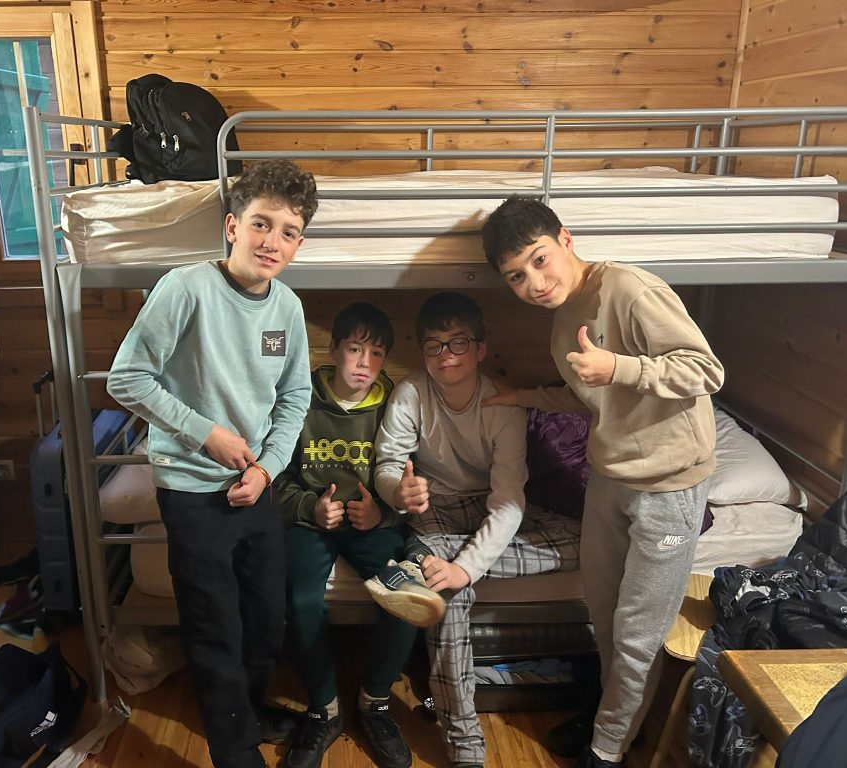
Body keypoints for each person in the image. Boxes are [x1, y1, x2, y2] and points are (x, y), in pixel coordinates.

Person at [480, 197, 725, 768]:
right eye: (516, 277)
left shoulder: (630, 290)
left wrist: (620, 366)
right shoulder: (563, 317)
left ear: (566, 239)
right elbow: (590, 396)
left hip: (669, 485)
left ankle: (607, 750)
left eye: (540, 260)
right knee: (606, 614)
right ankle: (615, 724)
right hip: (610, 477)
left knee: (638, 633)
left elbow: (706, 370)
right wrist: (523, 397)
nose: (534, 283)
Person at [106, 159, 318, 768]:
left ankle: (246, 715)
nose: (272, 241)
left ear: (298, 244)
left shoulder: (288, 309)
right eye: (261, 223)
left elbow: (295, 397)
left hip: (257, 486)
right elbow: (127, 378)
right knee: (215, 627)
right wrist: (207, 435)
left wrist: (266, 468)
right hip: (192, 491)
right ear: (232, 227)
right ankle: (235, 751)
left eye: (289, 231)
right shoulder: (186, 288)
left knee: (266, 618)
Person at [369, 291, 581, 768]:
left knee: (590, 541)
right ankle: (466, 746)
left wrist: (465, 566)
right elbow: (388, 465)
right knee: (448, 593)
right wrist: (398, 492)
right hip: (438, 506)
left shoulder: (503, 405)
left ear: (481, 348)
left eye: (458, 342)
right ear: (423, 351)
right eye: (433, 344)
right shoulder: (411, 393)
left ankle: (419, 566)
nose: (445, 354)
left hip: (490, 504)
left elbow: (508, 501)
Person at [275, 302, 417, 768]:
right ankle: (324, 708)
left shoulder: (394, 406)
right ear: (334, 349)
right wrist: (311, 508)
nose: (364, 363)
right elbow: (277, 479)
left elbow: (405, 478)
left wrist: (382, 516)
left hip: (370, 525)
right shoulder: (300, 399)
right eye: (355, 349)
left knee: (407, 594)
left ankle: (375, 701)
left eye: (376, 354)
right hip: (313, 522)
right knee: (300, 599)